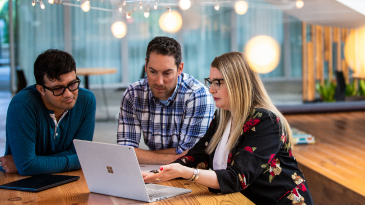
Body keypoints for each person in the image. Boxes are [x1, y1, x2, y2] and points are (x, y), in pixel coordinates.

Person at [143, 52, 314, 205]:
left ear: (237, 83)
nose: (210, 89)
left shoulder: (266, 121)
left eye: (218, 83)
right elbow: (195, 157)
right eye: (210, 82)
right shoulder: (223, 116)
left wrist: (188, 173)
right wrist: (156, 174)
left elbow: (237, 178)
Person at [117, 36, 214, 164]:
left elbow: (191, 155)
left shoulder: (197, 95)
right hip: (151, 170)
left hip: (189, 173)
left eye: (167, 73)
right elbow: (124, 152)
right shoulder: (133, 94)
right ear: (145, 65)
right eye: (153, 72)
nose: (159, 81)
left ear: (180, 69)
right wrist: (172, 157)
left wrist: (140, 154)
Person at [0, 49, 96, 176]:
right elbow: (27, 166)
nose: (68, 94)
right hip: (22, 184)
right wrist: (75, 160)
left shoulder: (86, 101)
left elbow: (83, 156)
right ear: (41, 89)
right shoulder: (23, 106)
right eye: (58, 88)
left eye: (72, 84)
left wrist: (35, 162)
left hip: (68, 179)